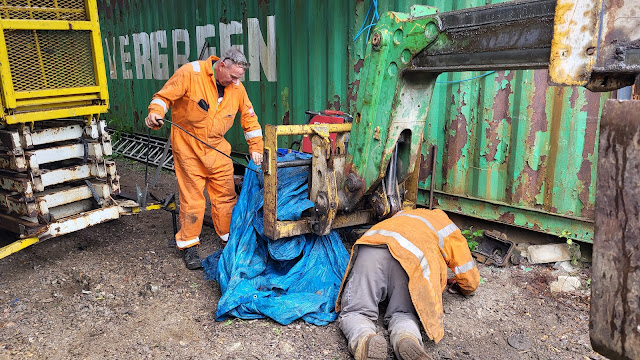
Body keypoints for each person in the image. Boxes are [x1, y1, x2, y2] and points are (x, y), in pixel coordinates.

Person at [145, 49, 263, 270]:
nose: (236, 81)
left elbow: (249, 118)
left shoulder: (236, 88)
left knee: (225, 197)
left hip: (217, 149)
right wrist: (155, 113)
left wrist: (256, 147)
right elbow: (163, 97)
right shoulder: (191, 73)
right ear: (221, 66)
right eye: (233, 76)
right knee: (193, 199)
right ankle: (189, 245)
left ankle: (229, 240)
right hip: (188, 148)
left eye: (239, 78)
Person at [336, 208, 480, 360]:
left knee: (357, 312)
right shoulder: (446, 225)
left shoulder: (401, 215)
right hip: (409, 262)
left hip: (371, 250)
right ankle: (406, 338)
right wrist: (464, 288)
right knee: (403, 314)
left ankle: (364, 338)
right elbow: (469, 277)